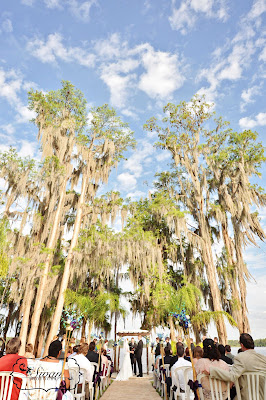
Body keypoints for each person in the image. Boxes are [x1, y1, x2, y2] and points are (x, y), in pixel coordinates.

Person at [208, 333, 266, 400]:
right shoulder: (263, 358)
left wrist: (212, 371)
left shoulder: (240, 357)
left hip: (244, 397)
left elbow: (232, 376)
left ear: (241, 345)